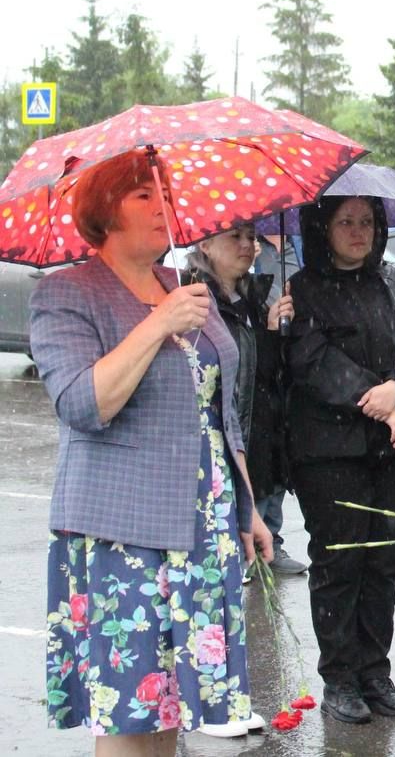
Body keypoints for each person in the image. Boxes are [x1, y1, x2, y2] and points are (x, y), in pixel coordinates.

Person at [34, 149, 273, 754]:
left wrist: (247, 507)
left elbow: (219, 412)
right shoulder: (68, 294)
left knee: (172, 704)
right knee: (128, 712)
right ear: (101, 210)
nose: (161, 205)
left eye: (162, 191)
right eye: (142, 194)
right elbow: (84, 404)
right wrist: (157, 323)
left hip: (200, 525)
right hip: (122, 536)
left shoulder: (180, 285)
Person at [286, 195, 395, 724]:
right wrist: (380, 400)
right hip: (331, 453)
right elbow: (313, 362)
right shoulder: (302, 290)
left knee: (384, 562)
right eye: (346, 221)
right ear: (324, 228)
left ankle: (374, 671)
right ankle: (339, 677)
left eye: (367, 221)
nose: (358, 231)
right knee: (340, 563)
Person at [187, 225, 307, 576]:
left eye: (251, 237)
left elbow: (261, 372)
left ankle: (267, 541)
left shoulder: (252, 297)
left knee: (265, 473)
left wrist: (271, 333)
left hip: (258, 419)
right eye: (235, 236)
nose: (247, 245)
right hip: (217, 427)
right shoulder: (194, 299)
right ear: (205, 243)